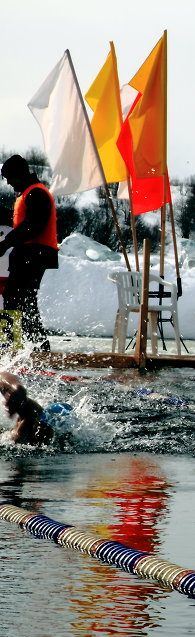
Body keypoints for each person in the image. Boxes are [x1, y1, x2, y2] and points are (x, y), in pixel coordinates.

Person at [0, 155, 58, 350]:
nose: (8, 182)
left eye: (9, 177)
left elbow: (32, 226)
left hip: (35, 254)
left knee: (17, 298)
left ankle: (16, 347)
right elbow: (18, 221)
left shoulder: (36, 194)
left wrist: (6, 243)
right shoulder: (27, 194)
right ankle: (33, 347)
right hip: (30, 255)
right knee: (21, 300)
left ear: (19, 174)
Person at [0, 372, 68, 445]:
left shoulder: (23, 432)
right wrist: (14, 386)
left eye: (8, 403)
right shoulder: (25, 405)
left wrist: (15, 387)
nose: (5, 405)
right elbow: (2, 376)